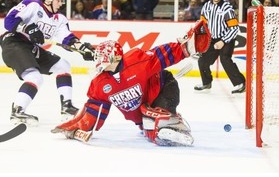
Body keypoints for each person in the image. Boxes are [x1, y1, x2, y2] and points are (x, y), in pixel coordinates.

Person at [51, 29, 199, 146]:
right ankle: (159, 128)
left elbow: (162, 55)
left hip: (161, 88)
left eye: (102, 56)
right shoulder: (100, 83)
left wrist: (185, 47)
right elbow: (94, 112)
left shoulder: (137, 61)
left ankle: (172, 124)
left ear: (114, 57)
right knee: (148, 126)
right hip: (141, 112)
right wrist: (77, 126)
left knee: (160, 117)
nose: (99, 60)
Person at [0, 0, 95, 125]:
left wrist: (81, 48)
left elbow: (67, 39)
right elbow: (9, 21)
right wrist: (28, 28)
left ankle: (67, 108)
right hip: (14, 42)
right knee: (34, 77)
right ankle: (18, 111)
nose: (61, 2)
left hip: (31, 48)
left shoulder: (60, 19)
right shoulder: (32, 4)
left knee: (63, 65)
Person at [194, 0, 246, 94]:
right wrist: (200, 42)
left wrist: (223, 41)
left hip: (227, 39)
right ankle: (206, 83)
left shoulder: (227, 8)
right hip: (212, 40)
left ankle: (240, 83)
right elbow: (203, 25)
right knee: (202, 61)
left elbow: (234, 28)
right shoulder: (206, 6)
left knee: (225, 59)